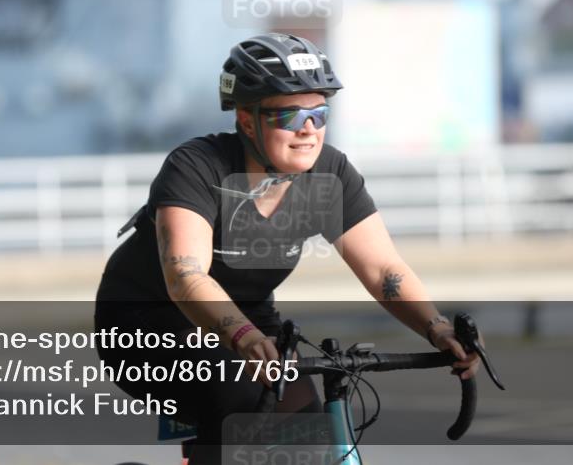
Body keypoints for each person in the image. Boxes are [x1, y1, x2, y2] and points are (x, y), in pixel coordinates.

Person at [94, 33, 479, 464]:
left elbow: (383, 269)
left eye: (319, 113)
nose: (309, 130)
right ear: (246, 120)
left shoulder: (328, 175)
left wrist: (436, 328)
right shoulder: (198, 166)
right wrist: (241, 337)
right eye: (290, 116)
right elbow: (186, 276)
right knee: (242, 414)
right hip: (151, 320)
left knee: (305, 439)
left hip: (253, 319)